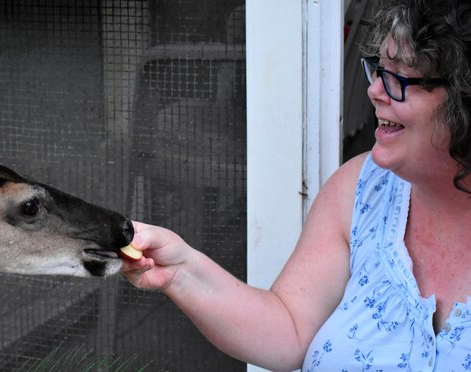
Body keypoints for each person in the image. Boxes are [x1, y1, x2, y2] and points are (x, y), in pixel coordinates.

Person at [121, 0, 471, 370]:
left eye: (399, 78)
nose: (375, 91)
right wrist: (181, 270)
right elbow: (289, 327)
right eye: (378, 70)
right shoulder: (361, 190)